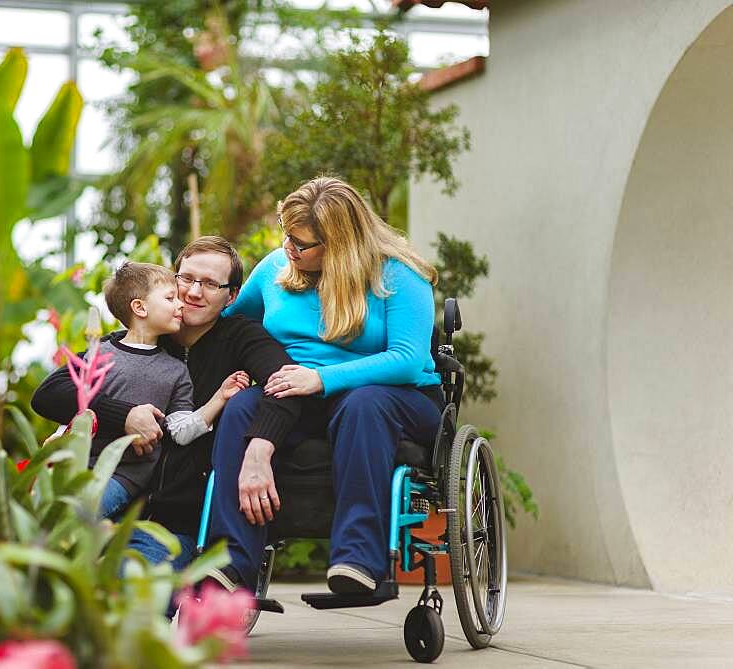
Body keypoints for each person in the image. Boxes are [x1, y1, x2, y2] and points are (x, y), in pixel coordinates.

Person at [207, 176, 444, 595]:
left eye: (301, 244)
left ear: (340, 244)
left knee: (364, 405)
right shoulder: (275, 271)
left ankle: (358, 560)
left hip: (397, 398)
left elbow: (407, 360)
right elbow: (230, 328)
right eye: (287, 237)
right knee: (244, 406)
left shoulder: (399, 276)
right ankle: (231, 563)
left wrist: (322, 378)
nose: (289, 250)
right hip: (300, 397)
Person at [31, 237, 303, 565]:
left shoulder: (241, 339)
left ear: (231, 296)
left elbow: (287, 385)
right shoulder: (136, 340)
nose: (192, 292)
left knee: (134, 590)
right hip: (110, 500)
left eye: (210, 284)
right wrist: (126, 415)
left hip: (176, 525)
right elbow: (50, 393)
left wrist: (260, 448)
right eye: (186, 278)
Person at [51, 261, 250, 520]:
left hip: (122, 476)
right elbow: (78, 403)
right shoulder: (100, 353)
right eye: (171, 298)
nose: (181, 305)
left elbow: (180, 431)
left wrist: (219, 397)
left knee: (73, 517)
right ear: (140, 307)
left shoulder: (175, 371)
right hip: (75, 464)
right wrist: (58, 436)